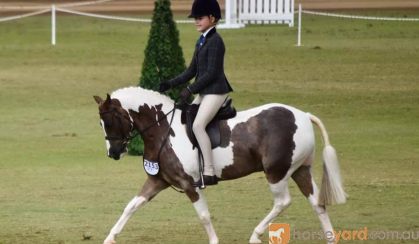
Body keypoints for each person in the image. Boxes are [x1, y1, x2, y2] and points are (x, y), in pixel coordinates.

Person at [159, 0, 233, 186]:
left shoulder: (216, 41)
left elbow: (211, 74)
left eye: (200, 18)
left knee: (199, 125)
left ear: (212, 18)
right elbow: (191, 70)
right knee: (185, 116)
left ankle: (209, 171)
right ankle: (193, 163)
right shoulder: (202, 40)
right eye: (195, 18)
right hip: (205, 91)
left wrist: (191, 89)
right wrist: (170, 83)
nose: (196, 21)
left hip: (216, 91)